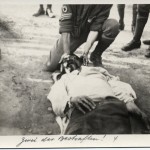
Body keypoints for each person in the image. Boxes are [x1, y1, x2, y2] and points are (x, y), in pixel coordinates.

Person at [47, 54, 150, 134]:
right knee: (79, 139)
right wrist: (71, 100)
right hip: (82, 109)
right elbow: (56, 94)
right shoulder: (65, 79)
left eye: (72, 57)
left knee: (117, 139)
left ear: (81, 61)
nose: (68, 61)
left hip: (111, 105)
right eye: (64, 61)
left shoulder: (98, 72)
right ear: (63, 69)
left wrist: (128, 102)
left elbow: (116, 85)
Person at [44, 5, 119, 72]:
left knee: (113, 26)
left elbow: (96, 26)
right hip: (74, 34)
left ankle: (96, 55)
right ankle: (74, 58)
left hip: (93, 31)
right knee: (50, 66)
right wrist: (67, 53)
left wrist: (86, 51)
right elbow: (65, 27)